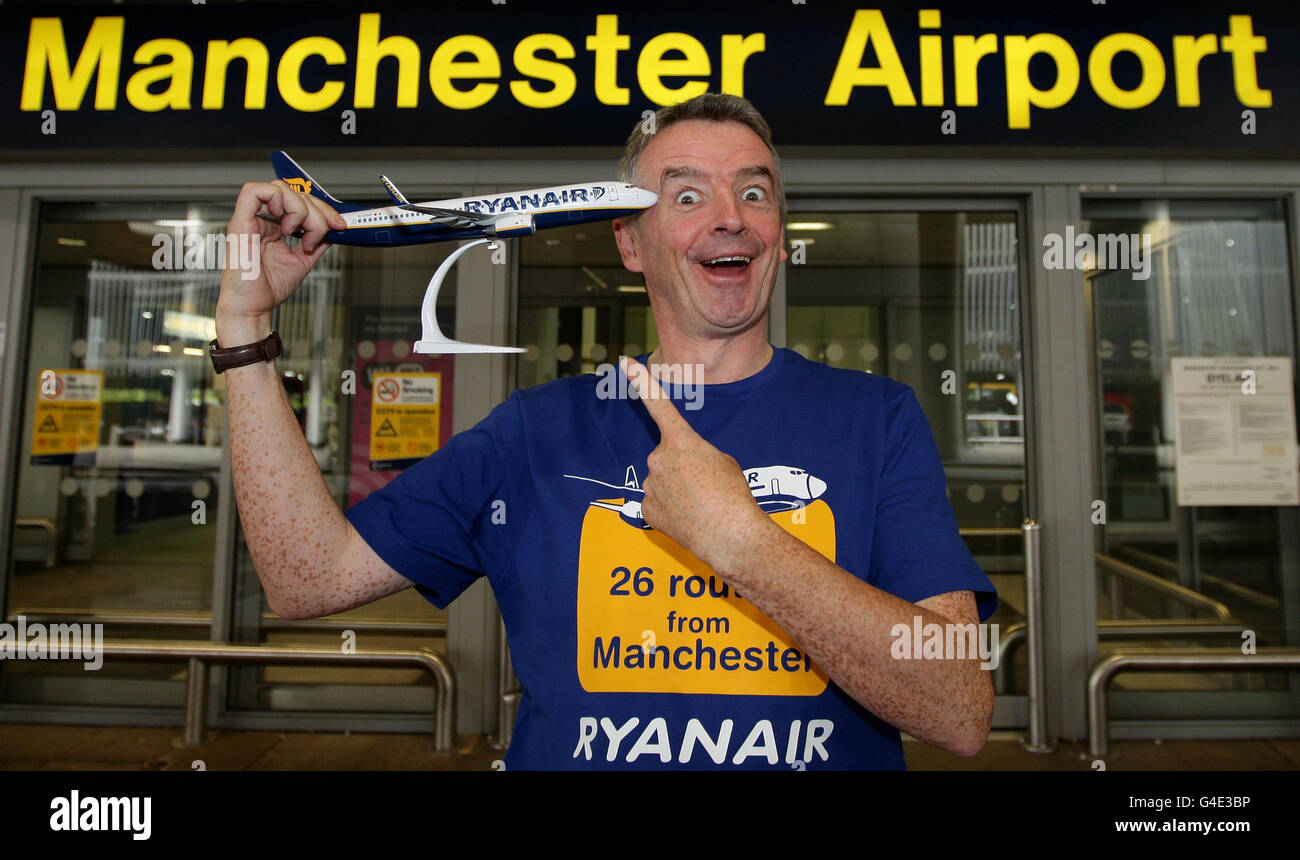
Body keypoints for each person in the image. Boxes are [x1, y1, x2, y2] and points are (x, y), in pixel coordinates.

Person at [214, 93, 997, 770]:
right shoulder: (537, 429)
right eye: (686, 197)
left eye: (755, 193)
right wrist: (246, 328)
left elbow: (959, 708)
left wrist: (744, 545)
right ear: (629, 241)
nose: (731, 217)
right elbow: (305, 576)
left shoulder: (877, 419)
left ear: (780, 232)